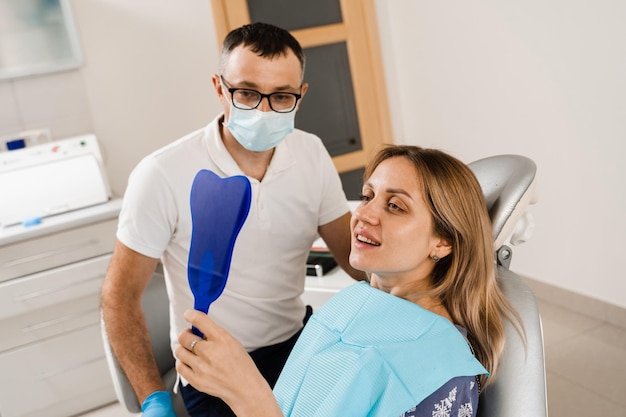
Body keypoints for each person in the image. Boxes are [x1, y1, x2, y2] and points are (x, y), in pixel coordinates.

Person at [101, 22, 366, 417]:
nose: (262, 110)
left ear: (301, 95)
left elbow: (353, 256)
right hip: (212, 366)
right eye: (246, 93)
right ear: (219, 87)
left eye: (280, 97)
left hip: (297, 347)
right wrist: (153, 400)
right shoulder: (162, 173)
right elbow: (118, 298)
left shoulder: (310, 153)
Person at [175, 145, 522, 417]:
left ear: (442, 241)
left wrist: (247, 395)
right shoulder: (353, 301)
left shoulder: (440, 374)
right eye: (368, 196)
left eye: (396, 206)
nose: (363, 213)